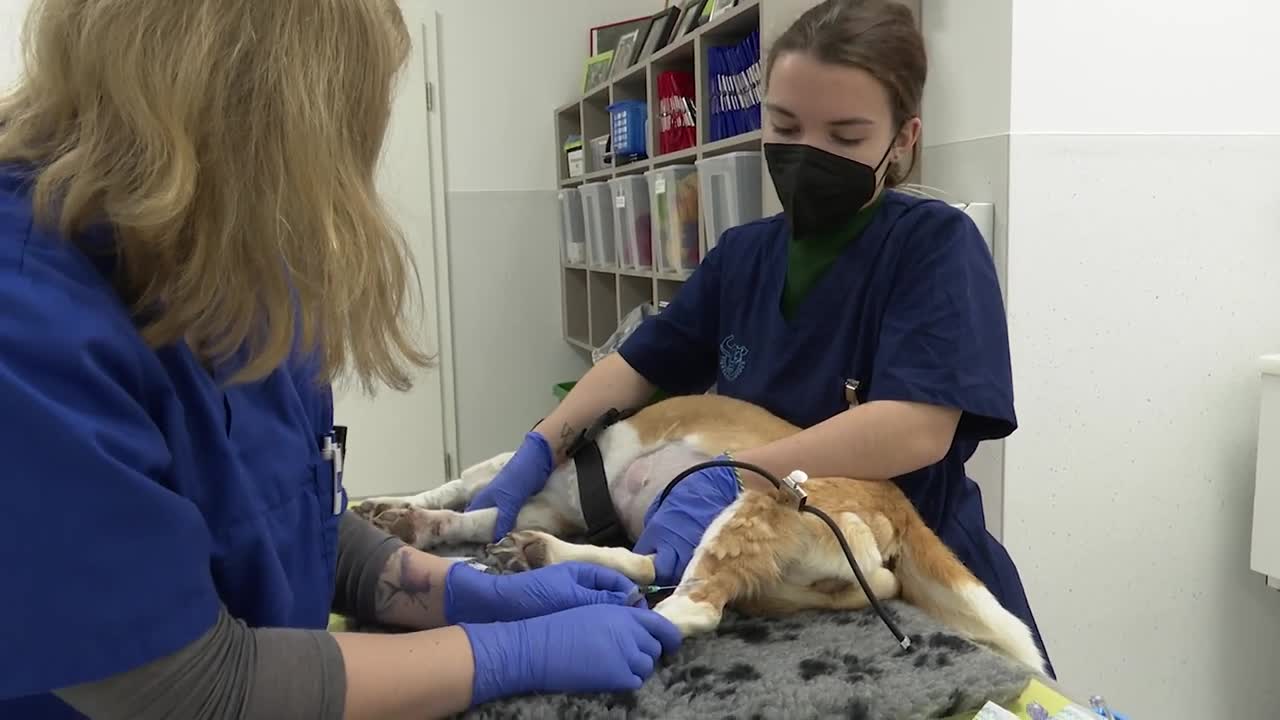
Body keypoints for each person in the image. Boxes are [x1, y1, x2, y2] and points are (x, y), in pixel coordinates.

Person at [0, 1, 681, 718]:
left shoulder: (234, 257)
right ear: (244, 115)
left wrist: (463, 592)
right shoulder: (29, 320)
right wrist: (504, 656)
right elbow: (182, 689)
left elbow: (298, 513)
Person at [470, 0, 1055, 678]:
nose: (809, 154)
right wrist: (541, 446)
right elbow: (636, 365)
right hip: (765, 569)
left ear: (904, 139)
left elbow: (914, 430)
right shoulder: (743, 254)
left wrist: (739, 475)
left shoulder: (934, 246)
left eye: (845, 135)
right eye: (785, 124)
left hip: (899, 573)